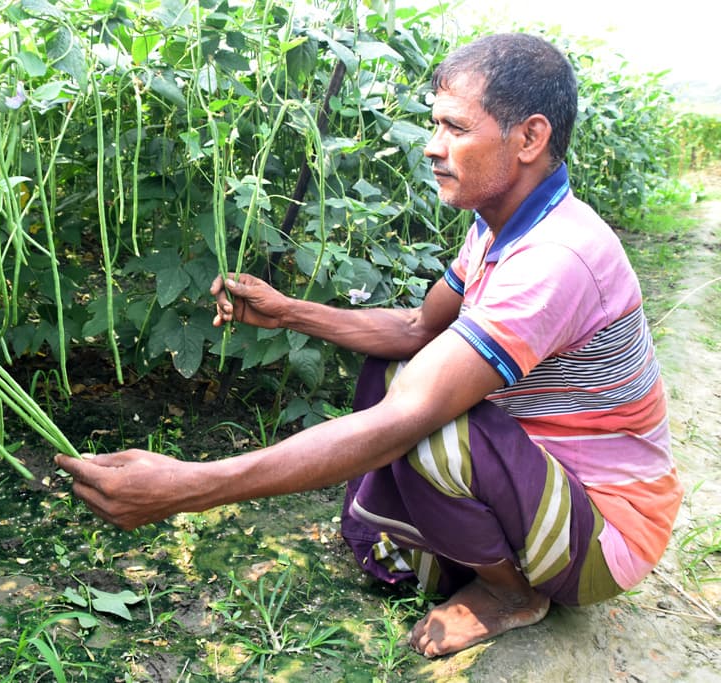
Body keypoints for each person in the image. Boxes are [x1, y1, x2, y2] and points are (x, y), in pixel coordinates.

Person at [54, 33, 682, 658]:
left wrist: (191, 485)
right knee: (400, 370)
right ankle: (484, 558)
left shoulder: (556, 258)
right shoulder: (503, 226)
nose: (433, 147)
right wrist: (288, 313)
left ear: (529, 138)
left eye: (456, 128)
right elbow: (417, 328)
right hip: (545, 482)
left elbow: (405, 419)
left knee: (426, 427)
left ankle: (514, 594)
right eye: (433, 124)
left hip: (605, 534)